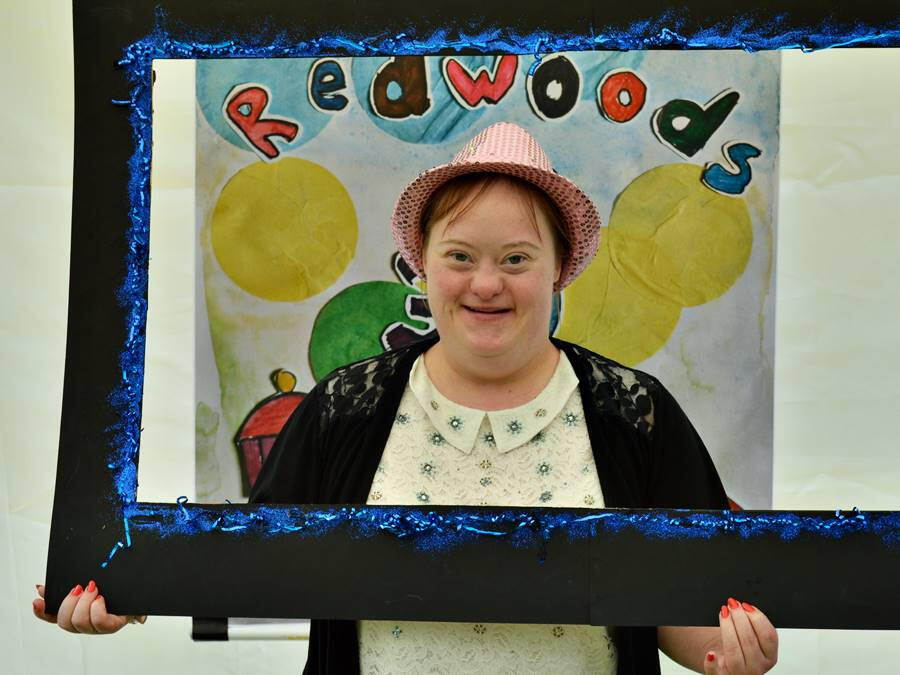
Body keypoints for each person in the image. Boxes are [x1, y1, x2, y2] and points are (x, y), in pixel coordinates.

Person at [34, 122, 778, 674]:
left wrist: (728, 648)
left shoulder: (633, 412)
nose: (485, 283)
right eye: (460, 256)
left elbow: (690, 606)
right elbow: (249, 561)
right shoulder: (346, 407)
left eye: (516, 258)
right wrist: (126, 589)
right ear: (422, 264)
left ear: (559, 269)